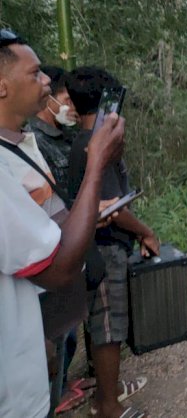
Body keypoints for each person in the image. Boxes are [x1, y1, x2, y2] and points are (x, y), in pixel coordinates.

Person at [0, 27, 125, 418]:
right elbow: (57, 268)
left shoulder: (19, 143)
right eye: (35, 74)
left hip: (34, 340)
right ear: (2, 87)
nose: (47, 84)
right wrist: (96, 161)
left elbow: (44, 224)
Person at [68, 66, 157, 418]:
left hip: (100, 247)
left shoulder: (85, 141)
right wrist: (146, 231)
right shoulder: (96, 147)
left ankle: (106, 388)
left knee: (100, 323)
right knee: (108, 327)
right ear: (109, 102)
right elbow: (113, 210)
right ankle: (107, 407)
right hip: (103, 248)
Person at [23, 65, 87, 413]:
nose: (69, 107)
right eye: (63, 99)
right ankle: (54, 391)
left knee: (65, 330)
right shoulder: (31, 142)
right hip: (45, 261)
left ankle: (61, 384)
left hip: (61, 245)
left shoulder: (34, 140)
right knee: (49, 336)